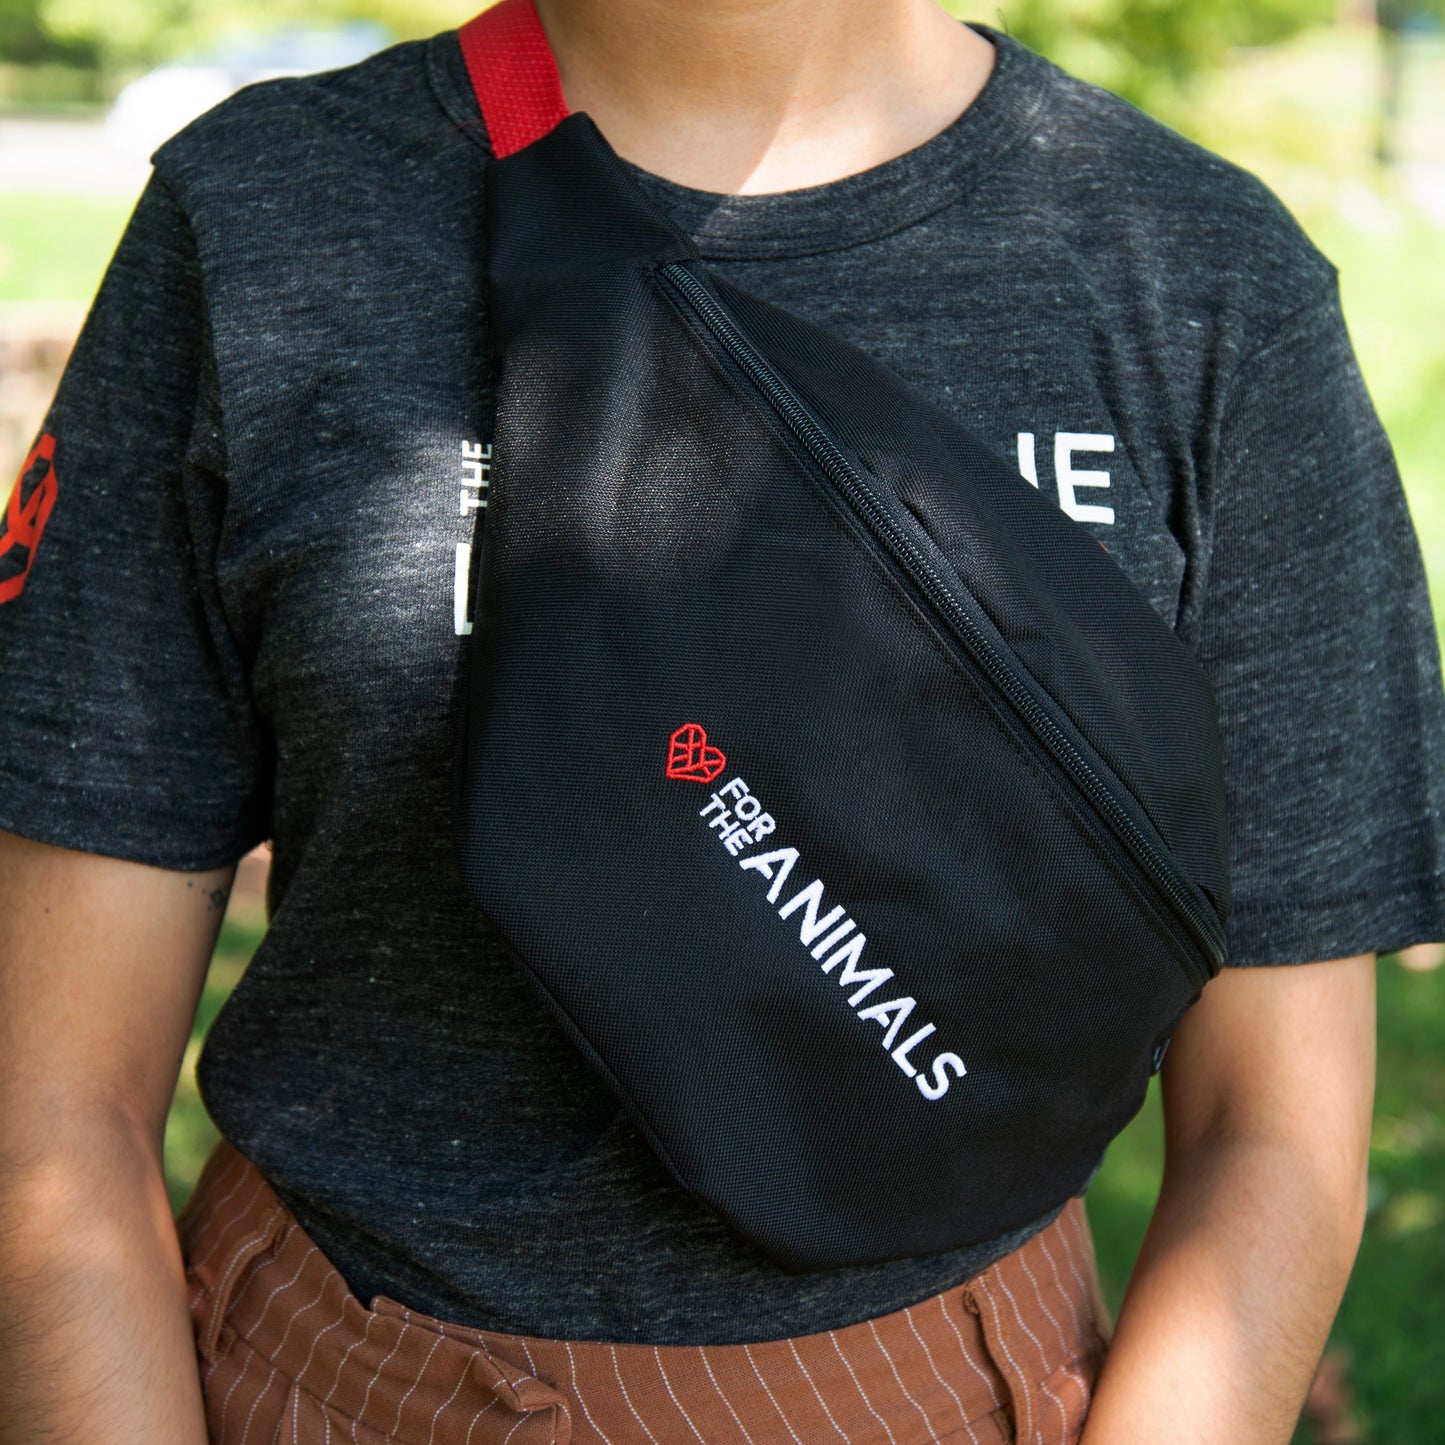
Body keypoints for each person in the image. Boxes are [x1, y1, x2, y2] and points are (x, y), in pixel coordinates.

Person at [1, 0, 1441, 1440]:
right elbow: (54, 1097)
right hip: (326, 1374)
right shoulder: (262, 220)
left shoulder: (1198, 278)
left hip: (929, 1393)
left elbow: (1275, 1128)